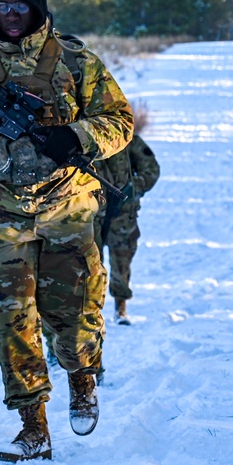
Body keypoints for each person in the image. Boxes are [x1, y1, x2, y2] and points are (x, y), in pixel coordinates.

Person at [0, 0, 133, 462]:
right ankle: (32, 425)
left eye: (21, 6)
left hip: (68, 208)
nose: (12, 14)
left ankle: (82, 380)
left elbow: (120, 121)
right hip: (2, 211)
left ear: (37, 9)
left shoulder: (75, 62)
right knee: (12, 318)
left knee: (73, 317)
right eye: (2, 6)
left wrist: (75, 135)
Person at [94, 133, 160, 325]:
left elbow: (151, 169)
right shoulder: (84, 135)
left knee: (121, 263)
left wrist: (133, 188)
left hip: (122, 215)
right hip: (91, 214)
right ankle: (91, 311)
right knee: (88, 265)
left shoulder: (128, 139)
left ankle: (120, 308)